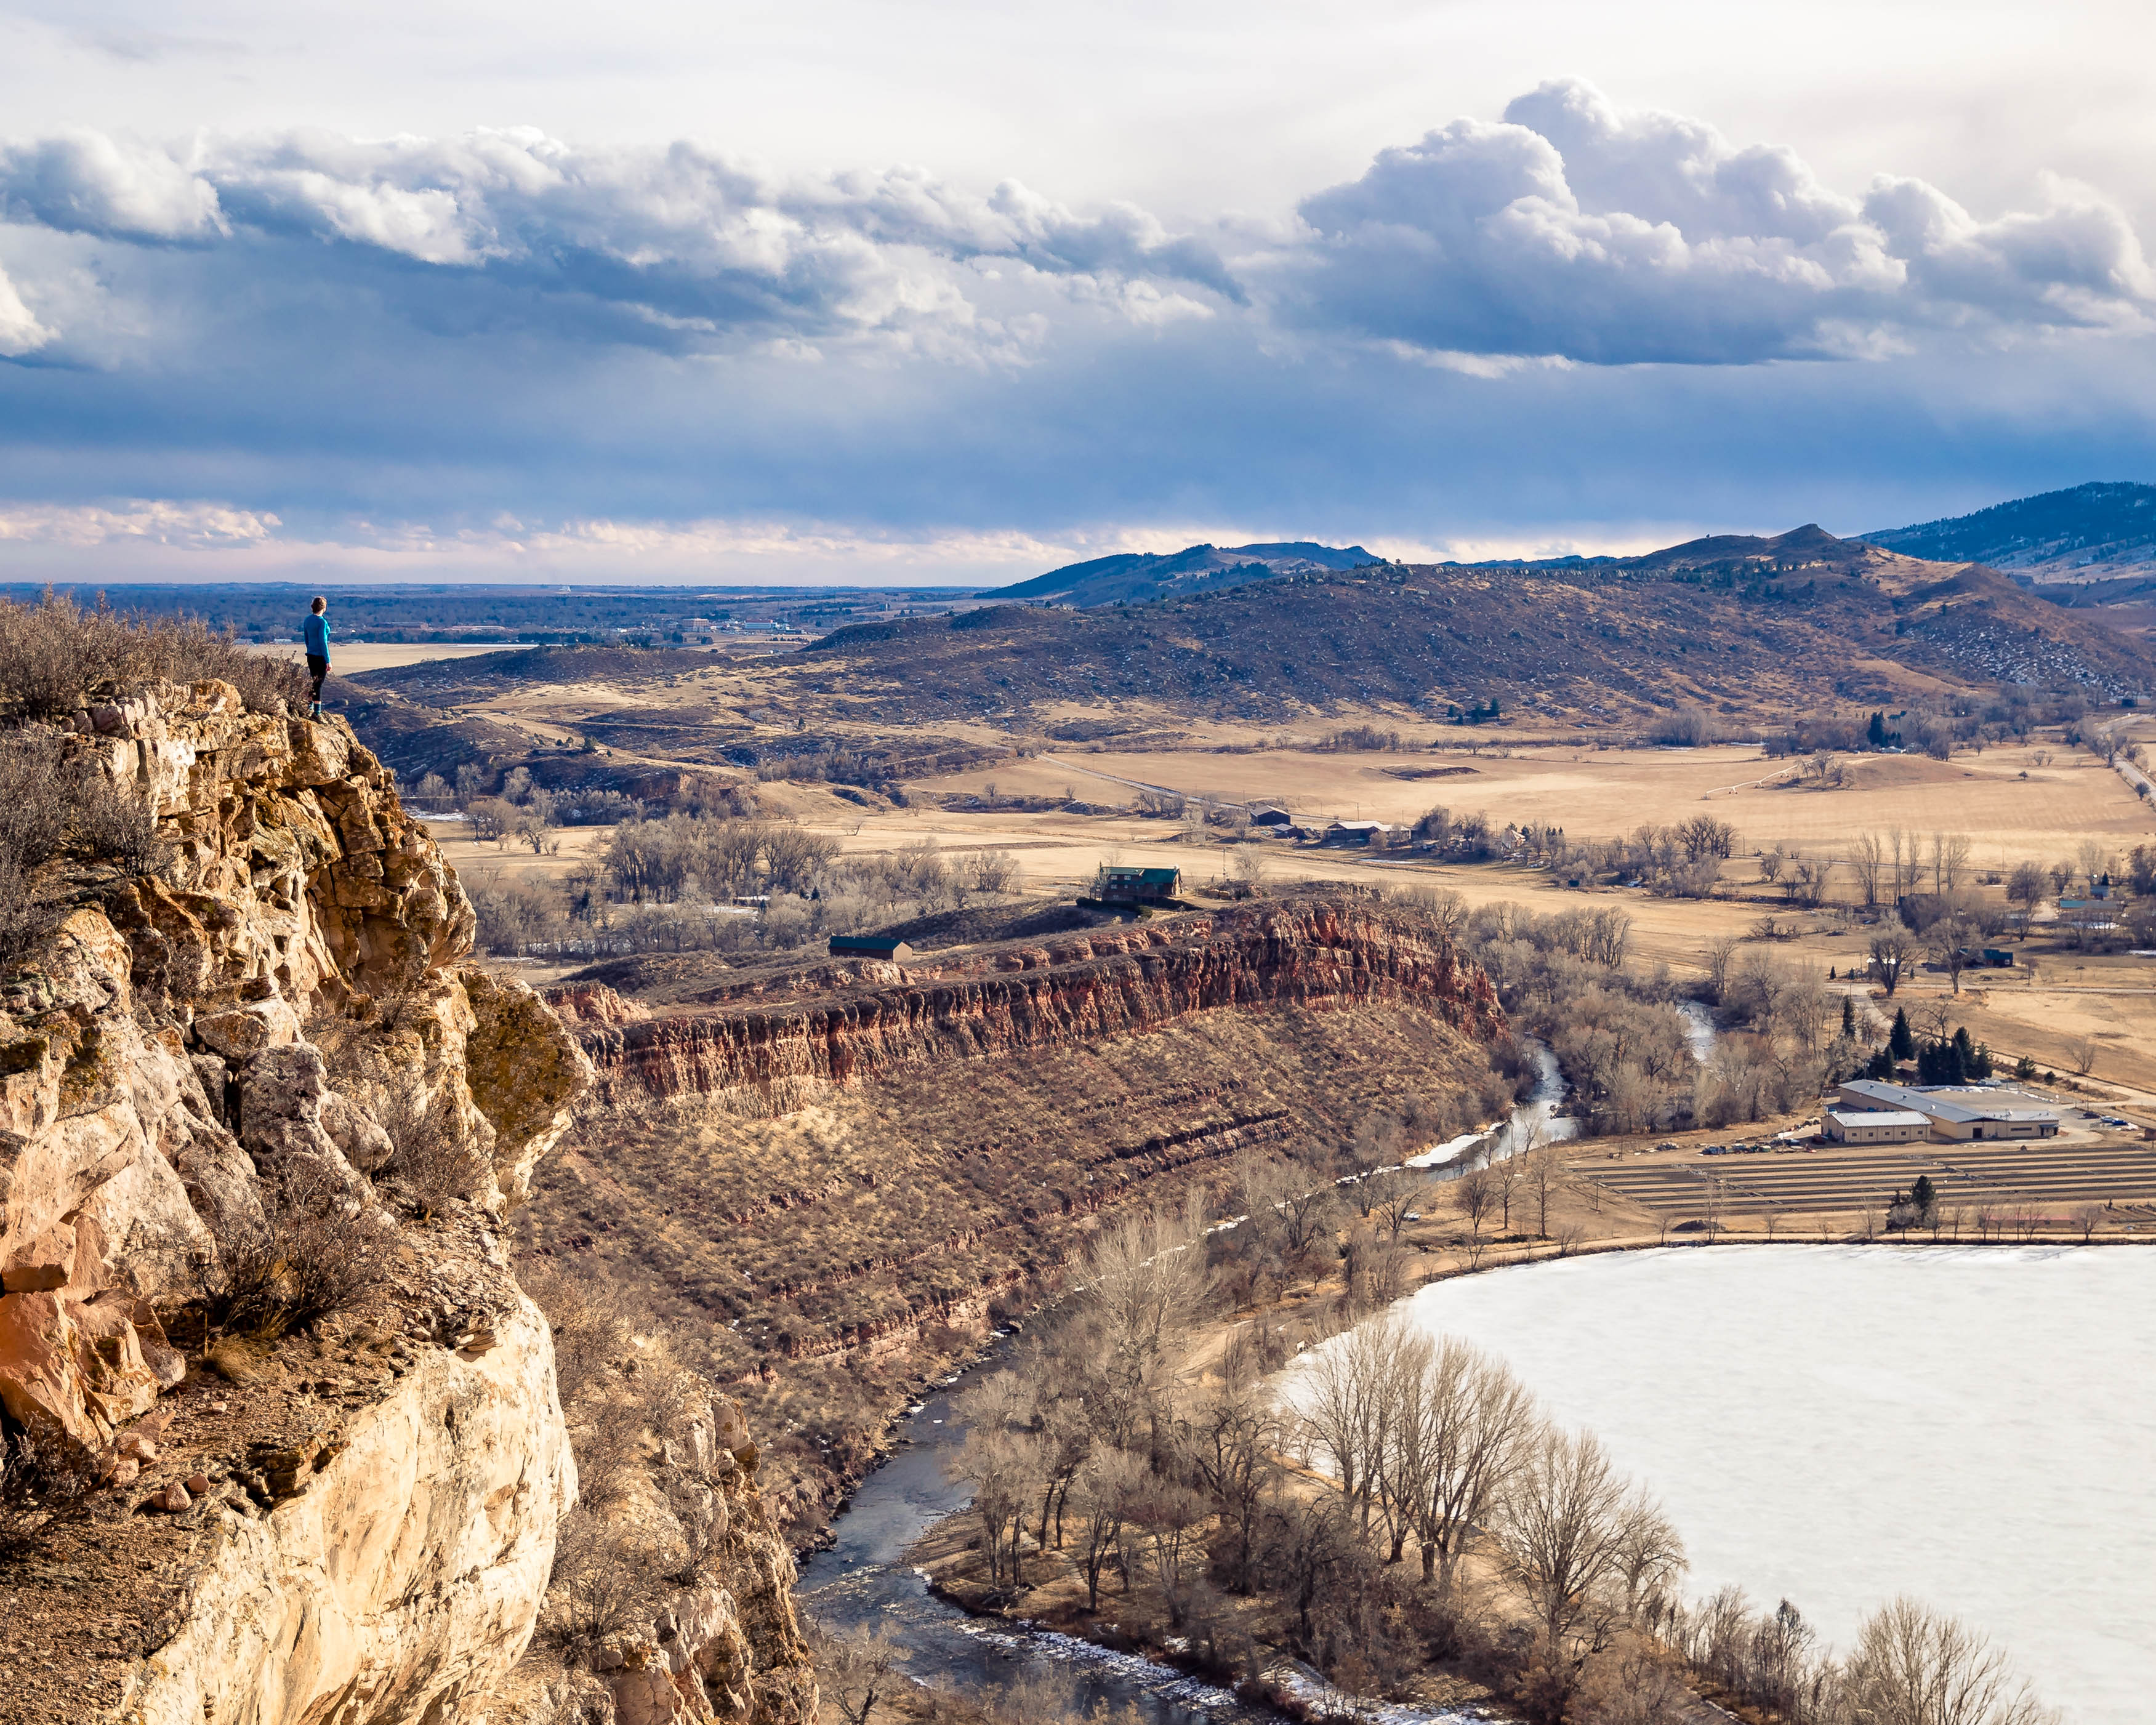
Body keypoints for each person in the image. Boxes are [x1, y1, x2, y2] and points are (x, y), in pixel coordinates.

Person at [303, 595, 331, 719]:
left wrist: (310, 649)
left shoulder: (308, 620)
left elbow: (307, 638)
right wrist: (328, 660)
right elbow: (323, 642)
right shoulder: (322, 623)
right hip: (320, 657)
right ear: (324, 608)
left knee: (314, 682)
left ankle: (309, 706)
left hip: (311, 655)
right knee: (319, 684)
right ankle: (317, 713)